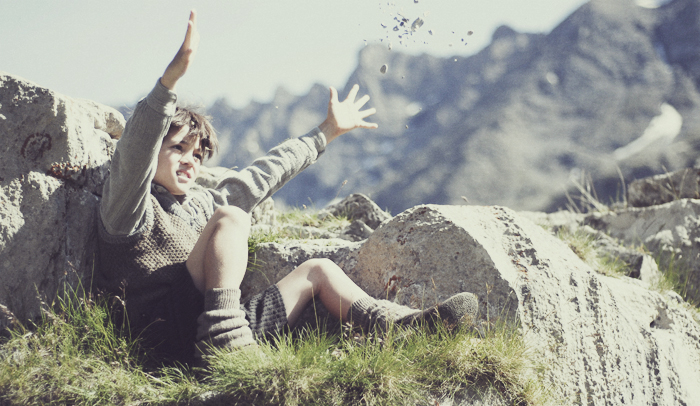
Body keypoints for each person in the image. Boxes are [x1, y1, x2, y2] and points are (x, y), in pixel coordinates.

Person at [95, 10, 477, 364]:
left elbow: (262, 174)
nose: (189, 159)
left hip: (219, 327)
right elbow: (134, 152)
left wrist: (326, 132)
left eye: (198, 154)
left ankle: (402, 327)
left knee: (319, 271)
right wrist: (169, 83)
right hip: (162, 340)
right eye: (178, 147)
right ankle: (224, 338)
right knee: (232, 217)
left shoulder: (200, 206)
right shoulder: (129, 206)